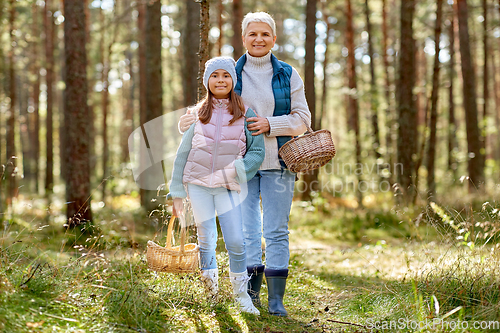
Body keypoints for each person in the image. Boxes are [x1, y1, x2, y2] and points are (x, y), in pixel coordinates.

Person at [179, 12, 311, 316]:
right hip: (238, 166)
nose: (259, 39)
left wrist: (270, 124)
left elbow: (303, 119)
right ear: (244, 38)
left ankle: (276, 301)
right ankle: (250, 293)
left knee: (276, 230)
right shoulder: (230, 72)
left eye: (265, 34)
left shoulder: (288, 74)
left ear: (274, 39)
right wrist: (186, 122)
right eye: (253, 34)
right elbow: (210, 108)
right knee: (248, 230)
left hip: (280, 161)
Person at [170, 56, 265, 315]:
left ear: (232, 80)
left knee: (235, 241)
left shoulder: (246, 112)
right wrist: (177, 191)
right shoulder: (198, 113)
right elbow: (182, 153)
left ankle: (241, 296)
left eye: (225, 75)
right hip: (198, 185)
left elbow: (256, 152)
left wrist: (238, 169)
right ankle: (211, 295)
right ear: (207, 81)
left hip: (228, 186)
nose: (220, 80)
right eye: (214, 76)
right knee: (206, 239)